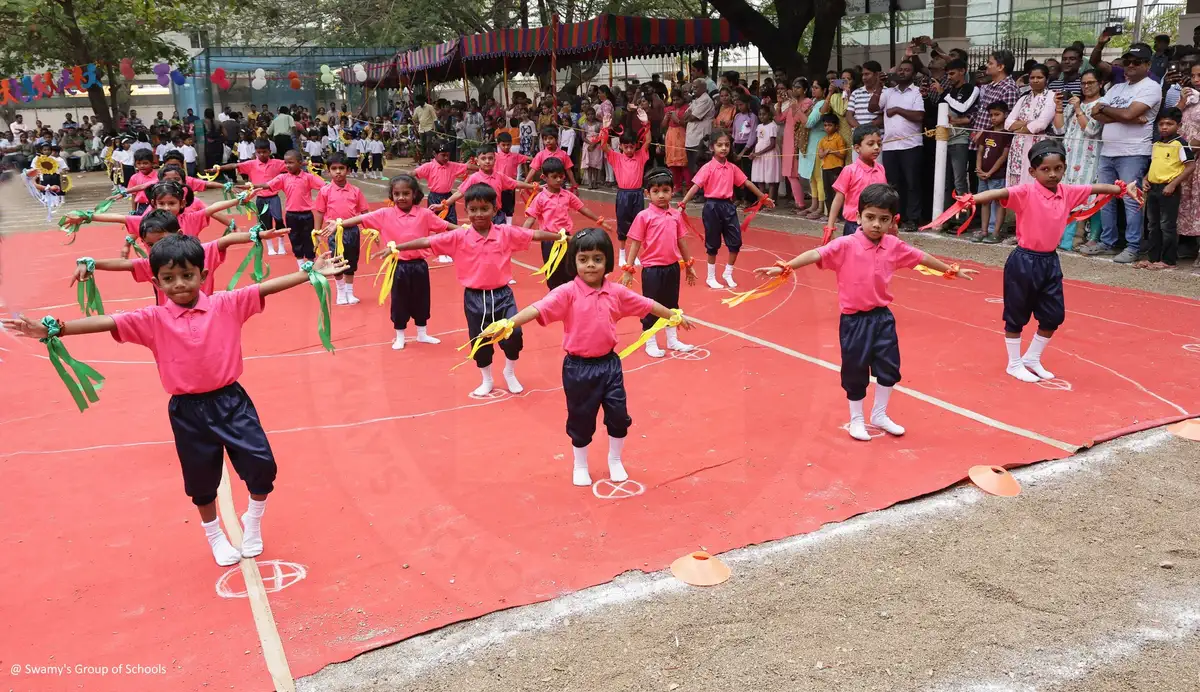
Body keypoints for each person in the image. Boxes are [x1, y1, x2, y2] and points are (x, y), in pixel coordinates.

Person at [4, 236, 347, 566]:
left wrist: (309, 272)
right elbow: (106, 321)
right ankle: (214, 534)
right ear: (156, 281)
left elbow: (264, 287)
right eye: (168, 278)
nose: (179, 284)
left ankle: (253, 520)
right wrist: (54, 329)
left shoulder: (226, 304)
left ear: (203, 274)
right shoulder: (152, 320)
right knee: (201, 480)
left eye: (187, 275)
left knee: (262, 466)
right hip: (187, 411)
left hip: (231, 402)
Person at [756, 184, 975, 441]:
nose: (876, 225)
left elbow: (921, 257)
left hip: (882, 318)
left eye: (884, 219)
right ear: (858, 216)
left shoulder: (894, 245)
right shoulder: (846, 245)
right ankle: (856, 418)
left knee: (889, 368)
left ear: (893, 221)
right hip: (854, 321)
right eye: (870, 217)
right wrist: (785, 267)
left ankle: (879, 413)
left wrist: (950, 270)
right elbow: (816, 253)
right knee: (855, 370)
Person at [503, 228, 696, 486]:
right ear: (574, 262)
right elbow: (537, 308)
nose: (590, 265)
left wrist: (673, 315)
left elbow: (647, 303)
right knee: (581, 419)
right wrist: (508, 323)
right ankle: (580, 464)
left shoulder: (616, 292)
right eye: (583, 260)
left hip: (609, 366)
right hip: (578, 368)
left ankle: (615, 460)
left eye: (597, 259)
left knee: (618, 416)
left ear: (607, 261)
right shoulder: (567, 292)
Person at [383, 184, 563, 396]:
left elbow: (534, 235)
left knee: (514, 334)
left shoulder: (505, 232)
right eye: (473, 209)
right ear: (466, 210)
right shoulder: (459, 236)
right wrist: (396, 247)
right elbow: (427, 240)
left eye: (484, 209)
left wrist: (562, 237)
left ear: (494, 210)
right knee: (480, 339)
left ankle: (509, 371)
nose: (479, 214)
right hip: (475, 298)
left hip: (503, 296)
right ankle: (486, 379)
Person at [970, 140, 1126, 383]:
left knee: (1054, 316)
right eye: (1045, 169)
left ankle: (1032, 357)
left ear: (1064, 168)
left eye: (1058, 168)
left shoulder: (1068, 192)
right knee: (1016, 314)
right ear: (1033, 172)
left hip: (1050, 261)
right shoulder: (1026, 192)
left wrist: (1120, 189)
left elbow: (1095, 188)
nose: (1053, 174)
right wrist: (973, 199)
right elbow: (1000, 192)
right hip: (1024, 261)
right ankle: (1014, 363)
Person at [68, 204, 285, 306]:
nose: (157, 247)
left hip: (205, 311)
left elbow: (225, 239)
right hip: (170, 316)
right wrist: (91, 262)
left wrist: (258, 234)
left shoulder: (198, 251)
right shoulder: (154, 261)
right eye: (149, 244)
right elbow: (126, 264)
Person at [332, 174, 457, 349]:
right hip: (398, 267)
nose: (401, 197)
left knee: (422, 300)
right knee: (399, 301)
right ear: (392, 194)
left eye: (406, 193)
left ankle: (422, 333)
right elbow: (361, 219)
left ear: (414, 194)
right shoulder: (385, 214)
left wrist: (467, 231)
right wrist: (340, 224)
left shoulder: (425, 214)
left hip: (419, 266)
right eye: (397, 193)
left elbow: (446, 226)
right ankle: (400, 335)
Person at [1085, 43, 1162, 264]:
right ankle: (1108, 243)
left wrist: (1112, 111)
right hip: (1108, 150)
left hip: (1133, 151)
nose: (1130, 66)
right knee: (1105, 198)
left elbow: (1126, 114)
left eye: (1136, 62)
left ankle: (1133, 246)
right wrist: (1125, 115)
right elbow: (1095, 113)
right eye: (1127, 61)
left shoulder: (1151, 87)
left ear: (1147, 65)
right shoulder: (1117, 87)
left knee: (1131, 200)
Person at [679, 130, 775, 289]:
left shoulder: (732, 168)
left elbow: (747, 183)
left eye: (727, 145)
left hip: (728, 207)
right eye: (719, 145)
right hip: (712, 207)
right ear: (712, 147)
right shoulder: (708, 168)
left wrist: (763, 198)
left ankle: (728, 272)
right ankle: (710, 276)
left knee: (735, 241)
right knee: (713, 243)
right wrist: (683, 203)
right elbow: (695, 186)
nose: (723, 148)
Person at [619, 168, 699, 358]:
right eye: (656, 191)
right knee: (651, 306)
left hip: (672, 268)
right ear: (647, 194)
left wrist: (688, 266)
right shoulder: (644, 217)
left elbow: (681, 242)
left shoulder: (675, 215)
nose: (661, 195)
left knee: (672, 304)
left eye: (665, 190)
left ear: (673, 191)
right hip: (652, 270)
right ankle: (650, 341)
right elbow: (636, 243)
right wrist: (629, 269)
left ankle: (672, 340)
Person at [523, 157, 612, 289]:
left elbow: (583, 209)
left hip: (568, 239)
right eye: (554, 177)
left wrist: (600, 221)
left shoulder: (567, 195)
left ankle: (572, 299)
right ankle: (555, 299)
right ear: (544, 177)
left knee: (571, 271)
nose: (559, 180)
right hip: (550, 240)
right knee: (553, 273)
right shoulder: (540, 198)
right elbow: (531, 218)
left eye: (561, 176)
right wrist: (519, 235)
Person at [870, 60, 925, 231]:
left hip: (911, 145)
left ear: (914, 74)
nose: (902, 72)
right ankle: (896, 217)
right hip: (890, 146)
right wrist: (879, 86)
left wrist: (898, 110)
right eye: (900, 70)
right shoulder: (888, 92)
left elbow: (919, 116)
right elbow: (872, 107)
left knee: (912, 184)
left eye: (907, 70)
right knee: (893, 186)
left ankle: (913, 219)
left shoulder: (916, 92)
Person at [247, 150, 325, 269]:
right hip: (291, 215)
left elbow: (324, 187)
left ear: (300, 163)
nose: (288, 165)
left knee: (309, 239)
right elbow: (267, 185)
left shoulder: (308, 177)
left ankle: (311, 262)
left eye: (291, 162)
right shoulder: (283, 178)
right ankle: (301, 265)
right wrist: (252, 186)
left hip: (307, 215)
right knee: (295, 239)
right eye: (286, 163)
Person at [1053, 71, 1104, 250]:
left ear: (1100, 83)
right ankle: (1064, 239)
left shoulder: (1101, 105)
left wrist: (1077, 109)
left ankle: (1080, 239)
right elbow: (1059, 130)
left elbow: (1090, 130)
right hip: (1069, 157)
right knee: (1068, 197)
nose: (1086, 86)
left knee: (1088, 197)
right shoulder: (1075, 104)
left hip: (1089, 160)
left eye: (1091, 82)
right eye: (1083, 83)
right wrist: (1059, 107)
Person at [1139, 108, 1194, 270]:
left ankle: (1169, 260)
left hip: (1169, 189)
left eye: (1169, 124)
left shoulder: (1180, 143)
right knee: (1152, 225)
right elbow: (1155, 165)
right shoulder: (1157, 143)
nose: (1164, 127)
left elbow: (1190, 166)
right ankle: (1153, 258)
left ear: (1178, 125)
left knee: (1167, 225)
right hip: (1153, 188)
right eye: (1161, 124)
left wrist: (1173, 184)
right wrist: (1145, 178)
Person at [211, 139, 288, 255]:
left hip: (274, 197)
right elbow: (235, 165)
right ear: (255, 152)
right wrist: (220, 168)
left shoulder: (277, 163)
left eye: (265, 152)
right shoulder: (251, 164)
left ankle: (281, 244)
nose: (262, 154)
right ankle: (270, 247)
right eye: (259, 152)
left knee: (279, 219)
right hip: (260, 198)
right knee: (264, 223)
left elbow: (292, 163)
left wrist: (309, 164)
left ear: (270, 151)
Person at [311, 152, 369, 305]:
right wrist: (316, 231)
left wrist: (370, 229)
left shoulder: (355, 191)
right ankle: (341, 292)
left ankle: (350, 292)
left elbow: (365, 213)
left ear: (348, 170)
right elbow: (319, 211)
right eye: (334, 168)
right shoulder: (325, 191)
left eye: (341, 168)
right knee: (337, 261)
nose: (338, 172)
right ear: (328, 171)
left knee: (351, 262)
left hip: (352, 232)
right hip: (334, 233)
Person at [433, 144, 536, 225]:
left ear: (495, 160)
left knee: (499, 243)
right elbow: (460, 192)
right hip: (480, 215)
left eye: (490, 158)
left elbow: (515, 183)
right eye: (483, 159)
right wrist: (443, 204)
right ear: (477, 161)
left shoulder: (500, 176)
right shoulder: (474, 178)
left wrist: (533, 186)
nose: (487, 161)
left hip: (497, 215)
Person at [602, 110, 651, 265]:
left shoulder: (641, 156)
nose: (629, 150)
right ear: (621, 146)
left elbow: (648, 141)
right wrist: (605, 129)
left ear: (636, 145)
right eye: (626, 147)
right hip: (623, 195)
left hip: (637, 194)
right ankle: (622, 254)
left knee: (638, 225)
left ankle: (634, 254)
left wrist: (646, 123)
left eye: (632, 146)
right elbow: (604, 146)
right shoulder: (616, 157)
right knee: (623, 224)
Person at [826, 125, 888, 238]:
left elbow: (885, 197)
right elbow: (838, 199)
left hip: (876, 224)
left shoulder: (881, 169)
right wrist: (830, 225)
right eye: (870, 144)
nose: (876, 147)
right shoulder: (849, 170)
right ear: (857, 148)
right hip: (854, 225)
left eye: (879, 144)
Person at [938, 59, 980, 217]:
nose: (949, 77)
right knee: (945, 182)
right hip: (943, 140)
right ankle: (947, 216)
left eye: (952, 73)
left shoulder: (972, 89)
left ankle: (963, 218)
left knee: (959, 181)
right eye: (947, 74)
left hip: (960, 140)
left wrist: (943, 94)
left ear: (963, 71)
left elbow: (963, 109)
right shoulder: (949, 91)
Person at [1005, 65, 1057, 189]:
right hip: (1018, 145)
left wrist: (1019, 127)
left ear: (1046, 79)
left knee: (1036, 180)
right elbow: (1007, 124)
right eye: (1032, 77)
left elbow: (1041, 124)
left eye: (1039, 77)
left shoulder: (1051, 96)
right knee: (1017, 186)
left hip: (1039, 144)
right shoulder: (1023, 98)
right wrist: (1028, 123)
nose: (1035, 80)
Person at [975, 102, 1013, 244]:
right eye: (991, 115)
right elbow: (980, 151)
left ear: (1005, 115)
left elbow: (1003, 156)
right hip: (983, 174)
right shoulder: (986, 131)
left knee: (998, 203)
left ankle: (996, 232)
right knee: (984, 202)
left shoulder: (1007, 134)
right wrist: (979, 169)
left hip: (997, 175)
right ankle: (984, 231)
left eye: (997, 114)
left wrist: (990, 172)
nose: (993, 118)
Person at [413, 143, 471, 226]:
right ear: (434, 154)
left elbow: (467, 167)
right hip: (434, 197)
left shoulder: (452, 165)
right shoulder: (428, 166)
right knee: (434, 222)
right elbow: (413, 173)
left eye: (448, 155)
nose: (446, 158)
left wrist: (482, 168)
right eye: (443, 155)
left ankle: (452, 237)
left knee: (451, 221)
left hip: (448, 196)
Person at [750, 104, 780, 202]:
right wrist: (753, 152)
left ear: (769, 115)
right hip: (759, 155)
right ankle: (761, 201)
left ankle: (770, 201)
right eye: (760, 114)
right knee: (760, 180)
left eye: (764, 114)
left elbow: (772, 144)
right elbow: (758, 142)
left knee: (770, 179)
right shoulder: (759, 126)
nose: (762, 116)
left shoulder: (772, 126)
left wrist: (760, 153)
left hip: (769, 155)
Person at [816, 114, 846, 214]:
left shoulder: (839, 138)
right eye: (825, 125)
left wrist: (832, 151)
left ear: (836, 126)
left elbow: (842, 155)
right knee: (827, 192)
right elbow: (820, 155)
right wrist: (826, 152)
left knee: (836, 192)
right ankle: (830, 214)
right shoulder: (822, 140)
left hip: (836, 168)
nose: (827, 127)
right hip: (825, 168)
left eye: (829, 125)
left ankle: (838, 214)